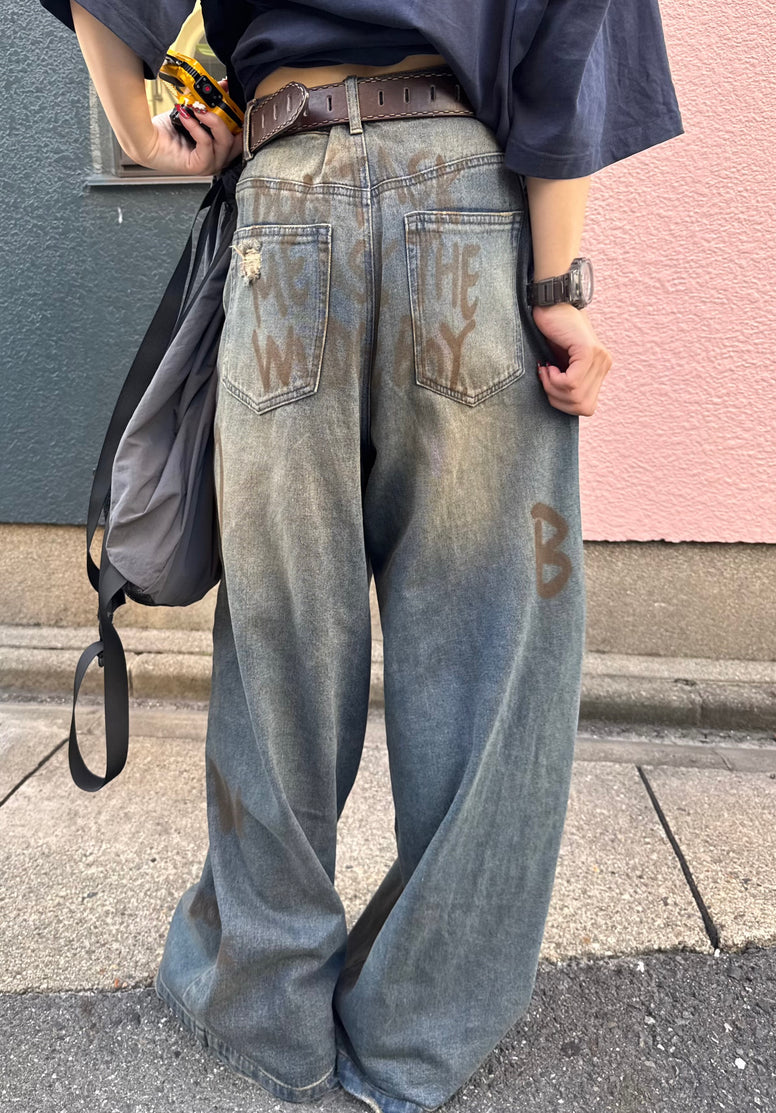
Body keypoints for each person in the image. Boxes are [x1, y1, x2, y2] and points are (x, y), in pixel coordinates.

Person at [41, 2, 684, 1110]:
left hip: (286, 198)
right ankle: (419, 1032)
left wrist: (141, 132)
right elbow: (570, 35)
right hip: (463, 199)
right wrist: (555, 290)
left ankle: (266, 1009)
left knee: (281, 641)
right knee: (493, 651)